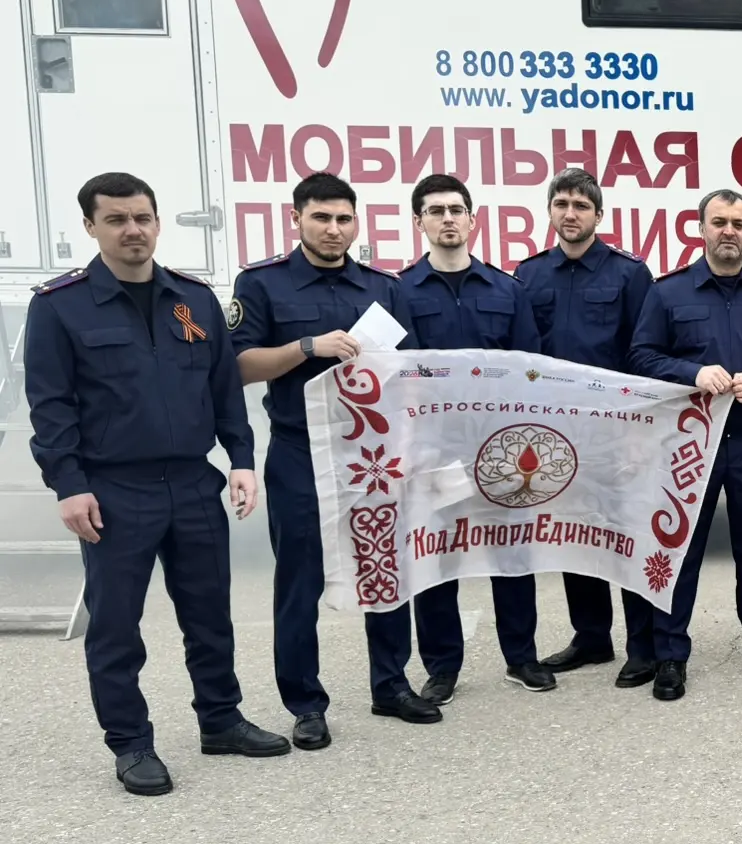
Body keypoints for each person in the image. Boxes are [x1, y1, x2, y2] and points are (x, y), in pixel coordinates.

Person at [25, 172, 287, 796]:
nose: (132, 230)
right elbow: (51, 406)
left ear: (158, 222)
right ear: (90, 226)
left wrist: (242, 459)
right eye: (116, 219)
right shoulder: (60, 306)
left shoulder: (192, 300)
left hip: (193, 484)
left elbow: (224, 389)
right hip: (114, 492)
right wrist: (69, 485)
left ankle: (220, 721)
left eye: (142, 217)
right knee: (117, 626)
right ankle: (131, 744)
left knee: (210, 615)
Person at [232, 172, 439, 740]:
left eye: (344, 219)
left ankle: (391, 686)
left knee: (384, 566)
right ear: (296, 218)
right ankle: (305, 705)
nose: (333, 229)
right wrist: (307, 347)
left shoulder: (383, 286)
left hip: (373, 451)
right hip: (301, 450)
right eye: (321, 217)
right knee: (299, 580)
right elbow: (239, 367)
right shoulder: (262, 283)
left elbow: (410, 370)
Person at [628, 188, 742, 700]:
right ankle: (670, 655)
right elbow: (641, 356)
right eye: (719, 222)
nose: (728, 231)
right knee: (681, 550)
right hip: (689, 444)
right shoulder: (668, 293)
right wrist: (691, 373)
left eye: (738, 223)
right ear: (701, 229)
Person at [399, 173, 553, 701]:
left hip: (500, 449)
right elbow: (388, 375)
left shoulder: (507, 290)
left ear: (472, 219)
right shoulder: (398, 291)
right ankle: (442, 667)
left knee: (511, 555)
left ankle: (522, 658)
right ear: (419, 221)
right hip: (433, 450)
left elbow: (530, 369)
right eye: (435, 210)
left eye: (455, 210)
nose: (447, 219)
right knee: (437, 557)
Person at [514, 167, 658, 688]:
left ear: (599, 215)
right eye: (562, 204)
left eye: (581, 205)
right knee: (576, 536)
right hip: (555, 430)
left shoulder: (629, 274)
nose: (570, 214)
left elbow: (644, 351)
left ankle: (643, 646)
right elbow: (522, 353)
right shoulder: (529, 275)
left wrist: (641, 428)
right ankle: (592, 637)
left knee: (627, 536)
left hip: (617, 430)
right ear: (550, 211)